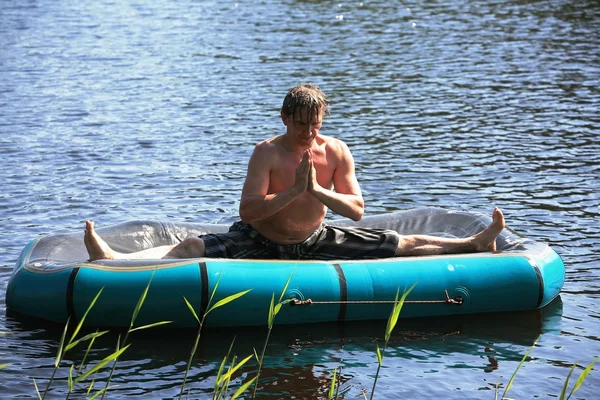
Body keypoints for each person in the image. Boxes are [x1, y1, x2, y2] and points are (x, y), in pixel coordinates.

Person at [84, 83, 505, 261]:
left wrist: (318, 190)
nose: (309, 131)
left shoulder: (336, 151)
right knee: (191, 247)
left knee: (401, 242)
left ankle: (472, 242)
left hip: (313, 238)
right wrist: (292, 193)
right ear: (285, 118)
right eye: (301, 122)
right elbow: (248, 211)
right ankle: (115, 259)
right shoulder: (266, 153)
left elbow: (357, 211)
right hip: (260, 238)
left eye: (315, 122)